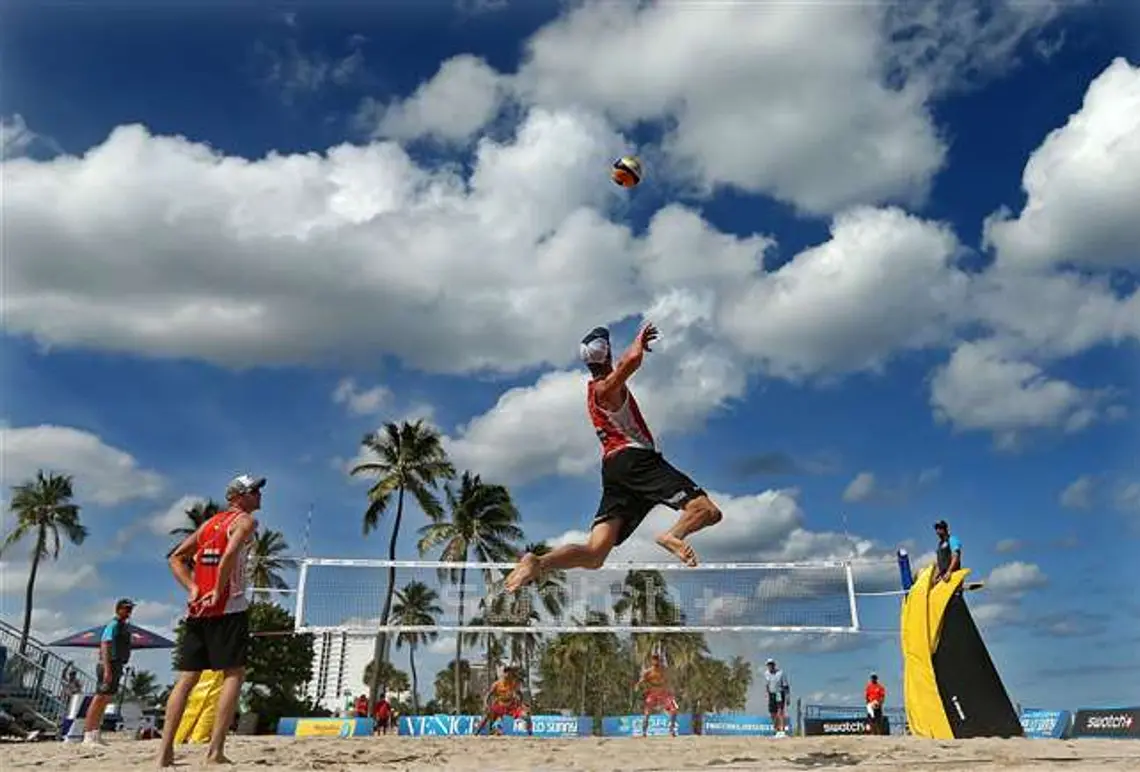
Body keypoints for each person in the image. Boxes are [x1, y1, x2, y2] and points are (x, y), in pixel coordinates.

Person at [505, 323, 723, 592]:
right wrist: (639, 342)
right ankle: (672, 535)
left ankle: (538, 562)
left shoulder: (593, 389)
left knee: (595, 554)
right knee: (706, 511)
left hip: (614, 470)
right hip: (636, 460)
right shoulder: (606, 389)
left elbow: (622, 363)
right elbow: (630, 361)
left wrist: (629, 353)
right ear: (607, 354)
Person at [155, 474, 262, 768]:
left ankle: (164, 753)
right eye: (254, 491)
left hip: (197, 611)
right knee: (234, 674)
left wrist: (192, 588)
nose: (259, 495)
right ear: (238, 496)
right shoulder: (245, 522)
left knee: (187, 679)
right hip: (228, 608)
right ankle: (215, 751)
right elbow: (229, 553)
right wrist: (217, 589)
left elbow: (176, 557)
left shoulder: (208, 525)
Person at [82, 598, 135, 745]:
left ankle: (95, 732)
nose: (129, 611)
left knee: (106, 699)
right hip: (108, 664)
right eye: (126, 608)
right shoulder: (113, 625)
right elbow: (105, 645)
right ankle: (87, 733)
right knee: (99, 698)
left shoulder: (125, 627)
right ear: (118, 609)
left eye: (130, 609)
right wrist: (107, 669)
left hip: (117, 664)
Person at [475, 666, 531, 736]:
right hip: (499, 706)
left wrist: (521, 704)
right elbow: (488, 694)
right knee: (487, 715)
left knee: (526, 716)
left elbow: (519, 694)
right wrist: (485, 704)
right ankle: (476, 733)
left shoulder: (513, 683)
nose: (508, 675)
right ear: (504, 674)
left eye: (510, 673)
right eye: (507, 673)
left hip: (511, 707)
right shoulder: (497, 684)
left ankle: (530, 735)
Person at [634, 653, 678, 737]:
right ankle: (644, 732)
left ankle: (672, 729)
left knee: (674, 709)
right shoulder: (648, 672)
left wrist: (670, 690)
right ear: (652, 661)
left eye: (657, 659)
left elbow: (669, 680)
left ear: (659, 660)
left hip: (664, 693)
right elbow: (641, 680)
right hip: (652, 694)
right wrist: (638, 686)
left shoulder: (664, 670)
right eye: (654, 659)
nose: (656, 661)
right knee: (647, 713)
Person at [763, 659, 790, 737]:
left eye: (771, 664)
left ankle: (782, 730)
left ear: (774, 665)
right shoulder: (766, 674)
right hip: (771, 694)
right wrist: (767, 693)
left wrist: (788, 697)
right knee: (772, 712)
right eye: (768, 665)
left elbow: (786, 686)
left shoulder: (781, 673)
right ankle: (776, 729)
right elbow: (767, 684)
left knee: (780, 710)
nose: (770, 666)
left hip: (779, 693)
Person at [933, 520, 962, 584]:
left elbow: (956, 556)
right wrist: (935, 576)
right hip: (943, 578)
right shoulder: (939, 545)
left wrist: (949, 572)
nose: (937, 531)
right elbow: (939, 564)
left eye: (940, 528)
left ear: (944, 529)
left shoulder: (952, 539)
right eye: (936, 529)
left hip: (953, 576)